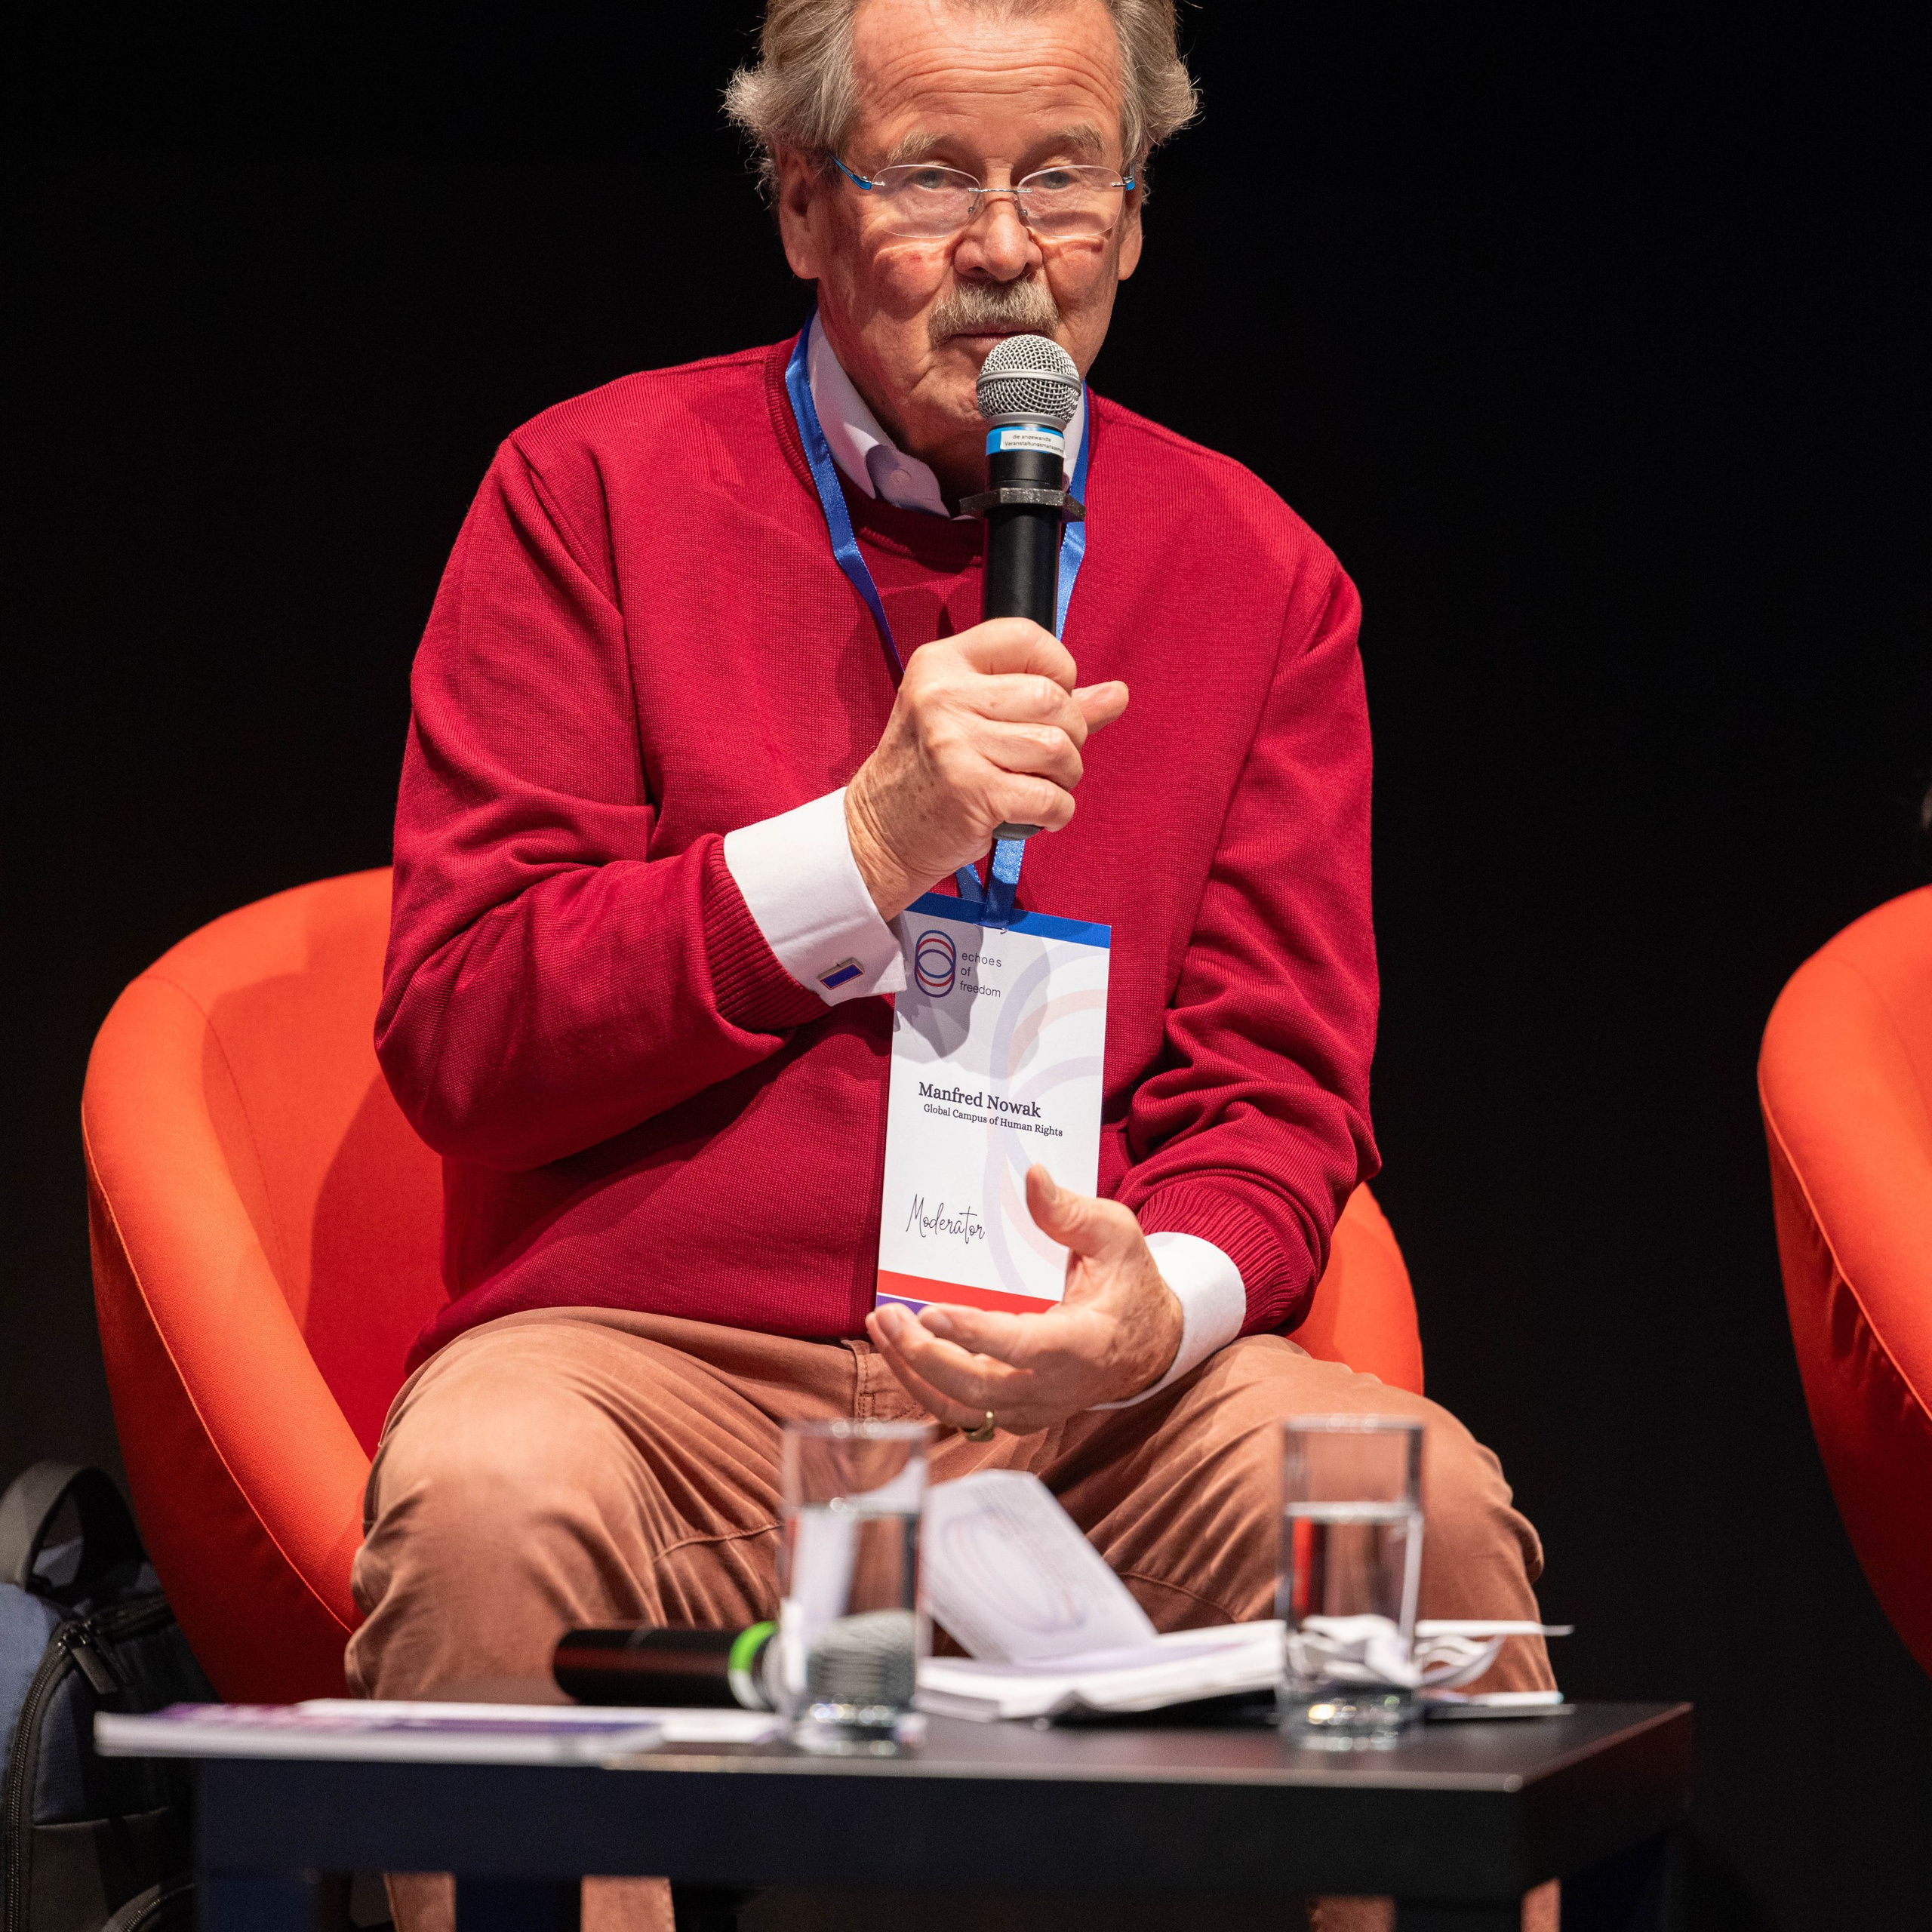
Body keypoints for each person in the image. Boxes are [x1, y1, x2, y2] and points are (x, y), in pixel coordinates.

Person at [352, 2, 1558, 1926]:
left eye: (1063, 176)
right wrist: (859, 845)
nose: (1006, 246)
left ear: (1136, 218)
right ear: (802, 207)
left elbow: (1277, 1094)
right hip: (657, 1387)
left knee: (1416, 1516)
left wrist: (1147, 1312)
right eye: (929, 177)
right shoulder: (587, 490)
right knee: (493, 1491)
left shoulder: (1256, 573)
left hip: (1076, 1409)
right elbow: (467, 1029)